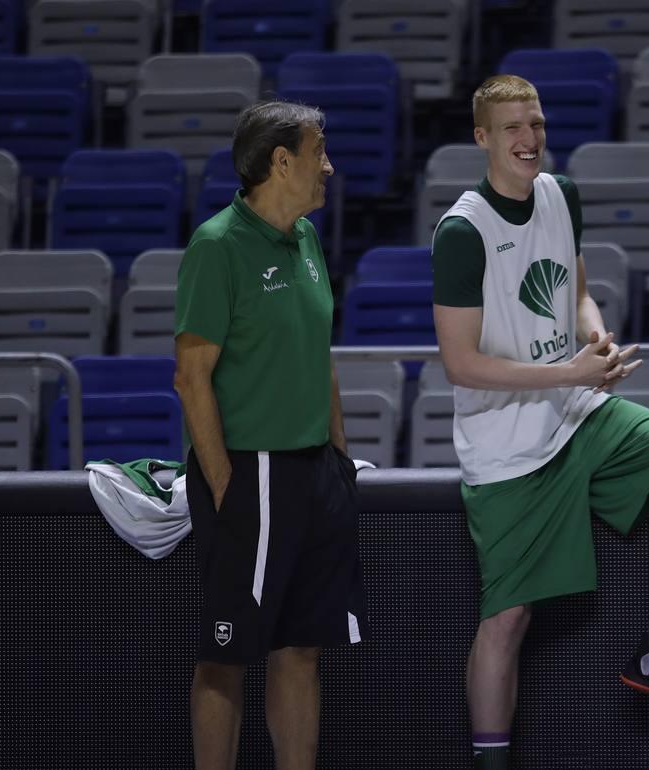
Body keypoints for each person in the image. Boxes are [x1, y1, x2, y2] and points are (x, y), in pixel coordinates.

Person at [431, 74, 649, 770]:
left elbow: (574, 287)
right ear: (482, 138)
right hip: (505, 443)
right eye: (512, 128)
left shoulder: (560, 193)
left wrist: (593, 341)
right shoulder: (461, 230)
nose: (529, 139)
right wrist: (567, 372)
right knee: (506, 622)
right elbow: (460, 363)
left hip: (575, 411)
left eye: (535, 123)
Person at [173, 100, 367, 770]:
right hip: (249, 473)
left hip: (315, 474)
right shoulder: (217, 245)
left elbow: (319, 353)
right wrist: (226, 486)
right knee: (228, 654)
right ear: (281, 162)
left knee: (301, 649)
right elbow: (191, 379)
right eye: (320, 154)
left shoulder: (306, 240)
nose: (329, 168)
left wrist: (339, 459)